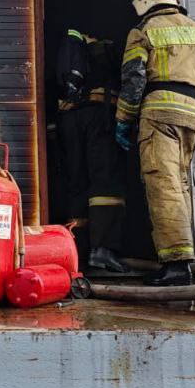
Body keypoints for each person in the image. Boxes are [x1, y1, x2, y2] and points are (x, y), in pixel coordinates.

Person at [113, 0, 195, 286]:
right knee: (180, 185)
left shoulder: (142, 32)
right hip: (191, 115)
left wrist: (123, 119)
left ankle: (176, 264)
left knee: (163, 186)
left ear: (144, 3)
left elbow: (134, 80)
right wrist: (187, 64)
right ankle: (186, 257)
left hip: (159, 116)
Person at [55, 29, 130, 274]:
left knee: (76, 182)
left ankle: (77, 250)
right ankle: (103, 250)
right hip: (100, 115)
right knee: (106, 183)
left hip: (69, 119)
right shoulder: (109, 49)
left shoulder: (67, 49)